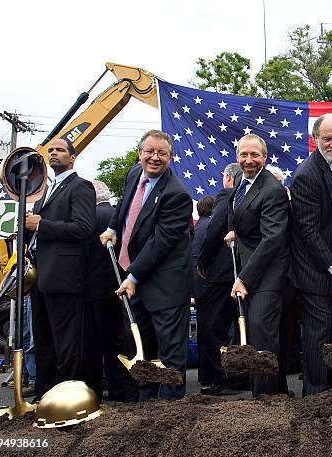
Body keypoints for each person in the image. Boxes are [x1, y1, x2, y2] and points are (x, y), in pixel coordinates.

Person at [100, 129, 193, 401]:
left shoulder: (176, 194)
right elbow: (124, 206)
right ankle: (146, 404)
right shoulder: (133, 175)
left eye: (162, 153)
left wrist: (133, 276)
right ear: (140, 153)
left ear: (170, 157)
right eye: (149, 152)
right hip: (136, 279)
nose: (155, 158)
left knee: (170, 353)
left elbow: (160, 243)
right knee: (142, 347)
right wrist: (112, 227)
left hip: (165, 284)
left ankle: (169, 410)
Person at [290, 113, 332, 395]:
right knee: (319, 334)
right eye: (327, 138)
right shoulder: (306, 175)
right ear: (315, 139)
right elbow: (308, 231)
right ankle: (316, 393)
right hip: (315, 269)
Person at [24, 138, 96, 400]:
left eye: (60, 150)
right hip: (41, 276)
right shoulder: (44, 190)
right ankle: (45, 394)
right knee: (43, 341)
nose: (53, 153)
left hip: (65, 276)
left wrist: (41, 225)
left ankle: (67, 395)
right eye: (50, 150)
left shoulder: (80, 187)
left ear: (73, 157)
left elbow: (83, 228)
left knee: (66, 342)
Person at [224, 134, 290, 397]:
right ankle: (278, 393)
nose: (249, 160)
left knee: (262, 340)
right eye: (244, 155)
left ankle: (266, 402)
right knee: (258, 336)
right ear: (237, 156)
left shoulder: (271, 189)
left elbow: (272, 239)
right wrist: (233, 231)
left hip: (267, 276)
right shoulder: (241, 180)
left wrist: (245, 279)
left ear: (265, 157)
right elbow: (238, 213)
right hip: (249, 267)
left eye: (255, 155)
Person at [82, 180, 136, 402]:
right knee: (117, 339)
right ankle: (119, 386)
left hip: (90, 288)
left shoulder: (88, 218)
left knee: (93, 342)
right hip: (117, 285)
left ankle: (94, 387)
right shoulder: (116, 216)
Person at [197, 163, 243, 395]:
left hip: (223, 273)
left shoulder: (226, 194)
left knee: (212, 327)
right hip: (243, 271)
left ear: (227, 178)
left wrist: (203, 260)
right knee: (241, 326)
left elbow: (215, 229)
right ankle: (240, 375)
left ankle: (223, 376)